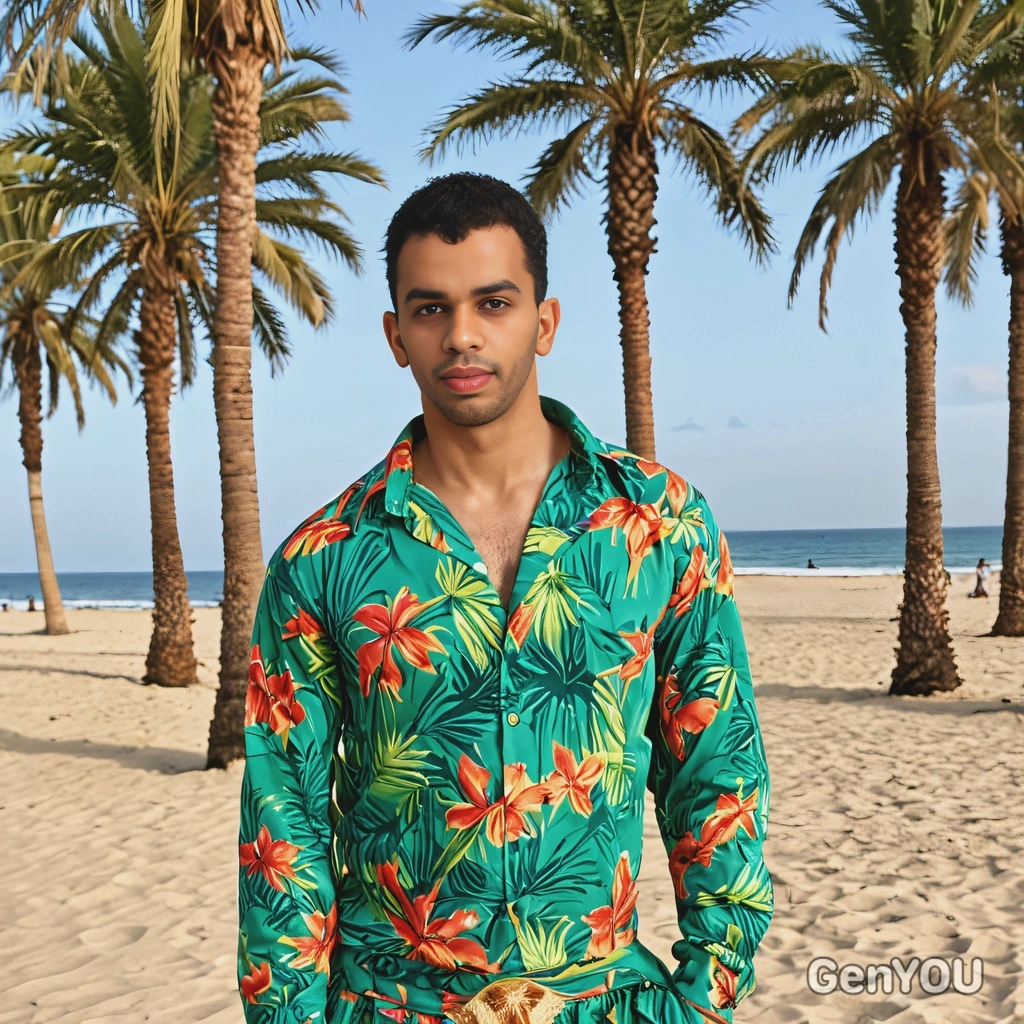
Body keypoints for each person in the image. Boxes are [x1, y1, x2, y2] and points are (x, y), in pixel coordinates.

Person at [236, 173, 773, 1024]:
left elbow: (716, 776)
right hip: (390, 1005)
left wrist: (707, 996)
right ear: (395, 334)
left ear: (544, 322)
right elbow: (284, 823)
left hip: (607, 1001)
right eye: (430, 309)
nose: (462, 335)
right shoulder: (323, 558)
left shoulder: (660, 525)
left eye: (493, 303)